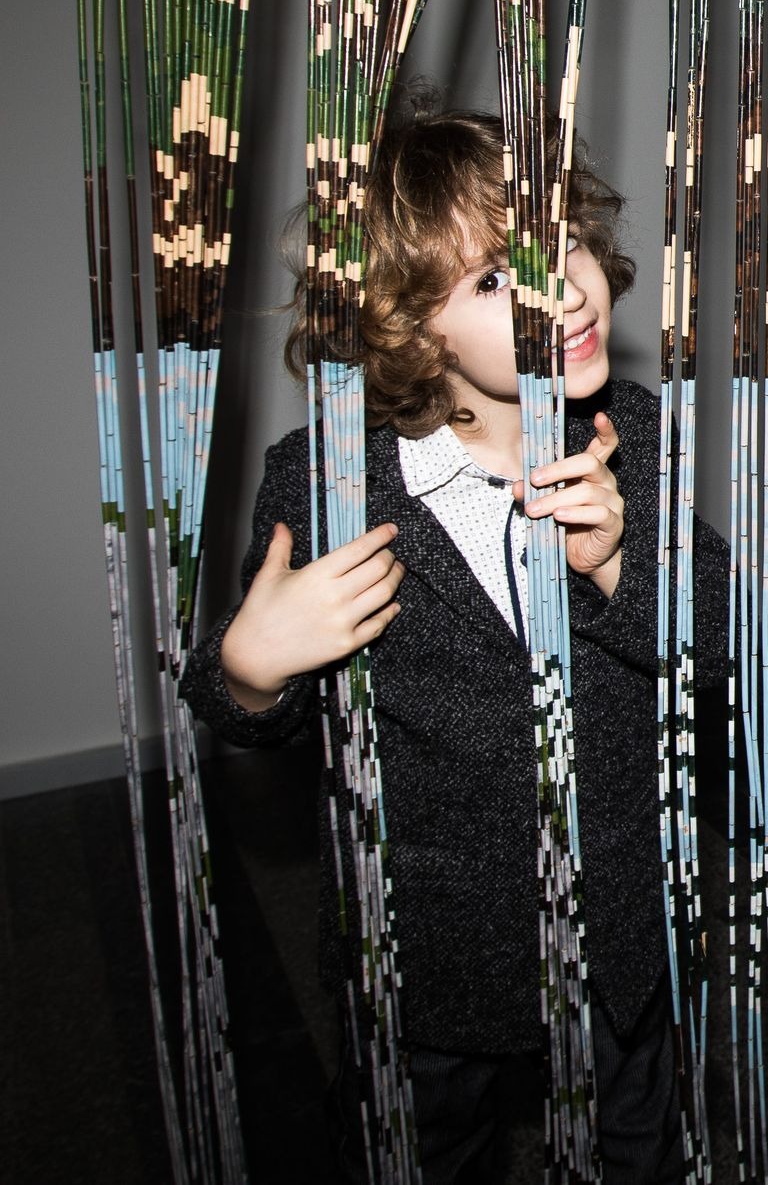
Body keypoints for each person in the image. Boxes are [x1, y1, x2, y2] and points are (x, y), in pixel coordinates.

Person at [181, 109, 730, 1183]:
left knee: (640, 1146)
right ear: (409, 325)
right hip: (426, 948)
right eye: (492, 278)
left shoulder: (632, 434)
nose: (565, 289)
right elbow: (242, 700)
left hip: (616, 927)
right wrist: (251, 670)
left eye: (566, 240)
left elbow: (714, 640)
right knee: (421, 1152)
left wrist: (620, 565)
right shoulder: (330, 481)